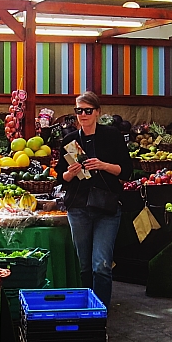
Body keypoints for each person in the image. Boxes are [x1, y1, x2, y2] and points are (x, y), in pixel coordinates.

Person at [60, 91, 131, 309]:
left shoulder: (111, 136)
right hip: (78, 207)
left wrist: (102, 165)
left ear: (97, 112)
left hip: (106, 207)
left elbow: (127, 171)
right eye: (78, 110)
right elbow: (61, 177)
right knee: (83, 265)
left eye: (87, 111)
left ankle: (100, 311)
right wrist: (71, 173)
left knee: (101, 264)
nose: (82, 115)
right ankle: (85, 308)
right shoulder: (69, 139)